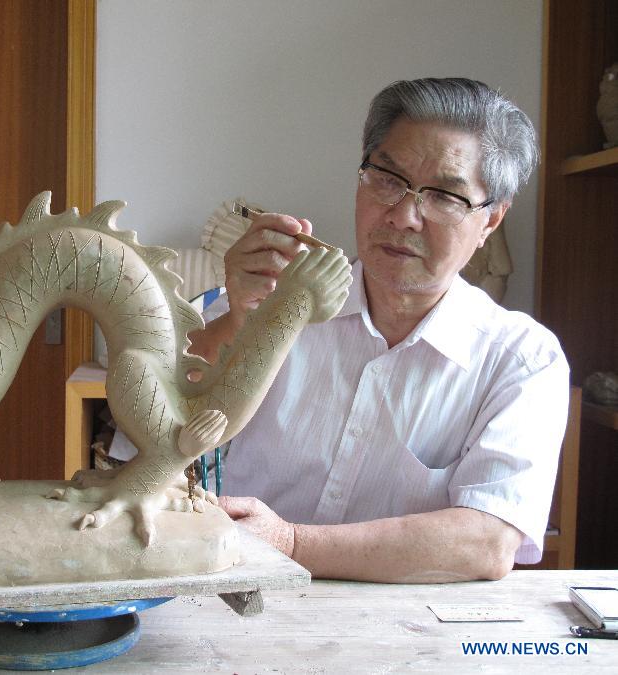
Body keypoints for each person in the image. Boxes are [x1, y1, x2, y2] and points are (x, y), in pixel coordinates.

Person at [190, 78, 569, 583]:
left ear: (491, 221)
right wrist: (239, 321)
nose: (405, 216)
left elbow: (487, 541)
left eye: (445, 196)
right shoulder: (276, 302)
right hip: (238, 591)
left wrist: (293, 542)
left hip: (410, 632)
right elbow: (162, 423)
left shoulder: (523, 359)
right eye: (387, 179)